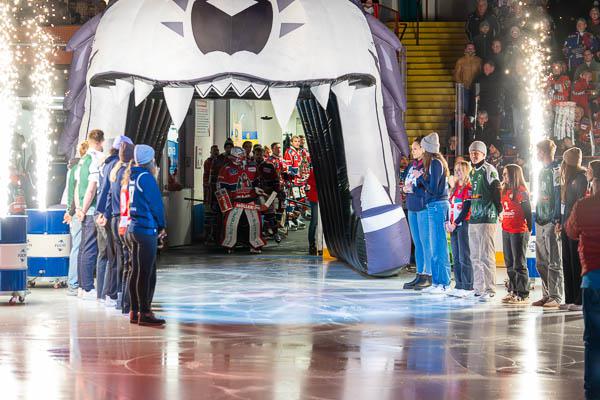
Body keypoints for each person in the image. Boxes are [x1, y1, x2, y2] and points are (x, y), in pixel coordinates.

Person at [565, 168, 600, 400]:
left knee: (593, 340)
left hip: (592, 278)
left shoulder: (583, 205)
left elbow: (571, 230)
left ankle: (593, 391)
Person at [128, 145, 166, 326]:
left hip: (134, 228)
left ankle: (134, 310)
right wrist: (161, 226)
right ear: (150, 160)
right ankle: (145, 312)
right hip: (146, 228)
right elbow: (156, 204)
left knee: (136, 271)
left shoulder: (133, 177)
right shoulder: (147, 178)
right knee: (147, 273)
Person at [96, 135, 133, 306]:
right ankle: (117, 294)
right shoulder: (126, 170)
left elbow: (106, 193)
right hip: (121, 219)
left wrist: (102, 212)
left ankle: (109, 293)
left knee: (112, 256)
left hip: (112, 218)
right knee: (122, 258)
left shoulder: (111, 167)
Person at [413, 132, 451, 293]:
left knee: (438, 246)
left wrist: (421, 178)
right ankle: (437, 282)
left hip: (437, 206)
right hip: (433, 206)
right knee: (434, 246)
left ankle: (443, 283)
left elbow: (434, 189)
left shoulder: (435, 163)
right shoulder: (434, 163)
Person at [468, 141, 501, 301]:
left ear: (483, 154)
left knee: (486, 255)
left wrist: (499, 210)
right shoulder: (472, 172)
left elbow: (496, 190)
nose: (474, 155)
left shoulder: (489, 169)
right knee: (475, 255)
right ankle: (478, 287)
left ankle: (490, 288)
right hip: (474, 218)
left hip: (487, 217)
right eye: (472, 152)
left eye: (477, 152)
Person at [217, 147, 266, 253]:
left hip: (250, 200)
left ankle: (255, 246)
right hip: (234, 202)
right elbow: (220, 187)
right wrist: (225, 203)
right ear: (233, 157)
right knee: (230, 224)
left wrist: (257, 189)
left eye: (244, 155)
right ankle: (229, 245)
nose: (243, 158)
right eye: (240, 156)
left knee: (255, 223)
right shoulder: (225, 169)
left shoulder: (252, 166)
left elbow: (258, 181)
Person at [533, 139, 563, 308]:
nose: (537, 155)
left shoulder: (556, 170)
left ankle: (556, 296)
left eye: (538, 151)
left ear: (544, 152)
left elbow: (558, 194)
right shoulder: (541, 171)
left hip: (551, 220)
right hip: (540, 219)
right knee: (541, 261)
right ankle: (546, 294)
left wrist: (557, 217)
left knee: (554, 261)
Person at [76, 130, 105, 300]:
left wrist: (79, 208)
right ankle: (87, 287)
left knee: (83, 248)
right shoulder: (95, 159)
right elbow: (92, 188)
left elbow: (78, 185)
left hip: (83, 209)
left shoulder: (82, 161)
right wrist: (85, 209)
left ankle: (82, 285)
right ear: (100, 141)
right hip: (92, 209)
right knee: (90, 249)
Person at [107, 142, 135, 314]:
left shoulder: (114, 171)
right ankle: (126, 302)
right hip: (124, 220)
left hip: (115, 219)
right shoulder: (128, 174)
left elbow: (109, 195)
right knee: (128, 263)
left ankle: (119, 297)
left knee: (120, 261)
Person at [559, 147, 588, 311]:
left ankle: (580, 299)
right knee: (567, 261)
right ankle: (569, 297)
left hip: (576, 227)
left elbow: (580, 204)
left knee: (576, 263)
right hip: (566, 225)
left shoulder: (580, 178)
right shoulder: (569, 180)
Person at [500, 164, 533, 305]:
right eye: (503, 174)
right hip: (506, 229)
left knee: (519, 263)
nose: (504, 177)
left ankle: (523, 293)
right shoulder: (504, 190)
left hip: (518, 230)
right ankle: (512, 291)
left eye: (506, 174)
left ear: (514, 175)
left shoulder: (521, 191)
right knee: (509, 263)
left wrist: (529, 228)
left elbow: (528, 211)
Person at [402, 137, 432, 290]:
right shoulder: (411, 165)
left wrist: (414, 189)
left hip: (422, 207)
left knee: (425, 242)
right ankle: (419, 274)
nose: (412, 151)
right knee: (417, 243)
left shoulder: (427, 166)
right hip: (411, 206)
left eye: (415, 148)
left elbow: (428, 187)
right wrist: (405, 188)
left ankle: (428, 274)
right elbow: (405, 180)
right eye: (412, 148)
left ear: (423, 149)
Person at [63, 141, 88, 296]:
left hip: (74, 212)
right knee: (80, 247)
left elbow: (70, 192)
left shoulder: (72, 169)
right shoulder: (81, 169)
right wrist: (72, 211)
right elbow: (75, 193)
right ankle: (74, 284)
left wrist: (68, 211)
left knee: (77, 247)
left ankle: (74, 283)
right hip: (80, 211)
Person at [445, 160, 473, 298]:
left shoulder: (468, 188)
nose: (457, 173)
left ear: (466, 171)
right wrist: (447, 222)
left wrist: (455, 222)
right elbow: (449, 206)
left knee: (464, 256)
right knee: (455, 257)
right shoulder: (454, 188)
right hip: (453, 226)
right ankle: (459, 284)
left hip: (463, 225)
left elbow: (466, 209)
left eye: (460, 170)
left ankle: (468, 286)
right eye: (456, 170)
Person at [471, 61, 502, 138]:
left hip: (493, 107)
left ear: (492, 68)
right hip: (483, 105)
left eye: (487, 68)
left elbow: (499, 91)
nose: (485, 69)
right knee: (482, 125)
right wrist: (476, 94)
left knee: (494, 127)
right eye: (484, 67)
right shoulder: (479, 77)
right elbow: (476, 89)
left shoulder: (497, 78)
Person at [453, 43, 482, 116]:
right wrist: (461, 85)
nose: (470, 50)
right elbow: (456, 75)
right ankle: (465, 125)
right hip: (464, 88)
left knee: (474, 108)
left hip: (475, 88)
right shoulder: (461, 61)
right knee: (464, 108)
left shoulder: (479, 60)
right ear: (465, 49)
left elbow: (481, 74)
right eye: (469, 48)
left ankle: (473, 124)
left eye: (472, 48)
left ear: (474, 50)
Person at [306, 168, 319, 255]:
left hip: (320, 197)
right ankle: (311, 244)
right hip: (315, 197)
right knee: (314, 221)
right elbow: (310, 181)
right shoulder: (315, 169)